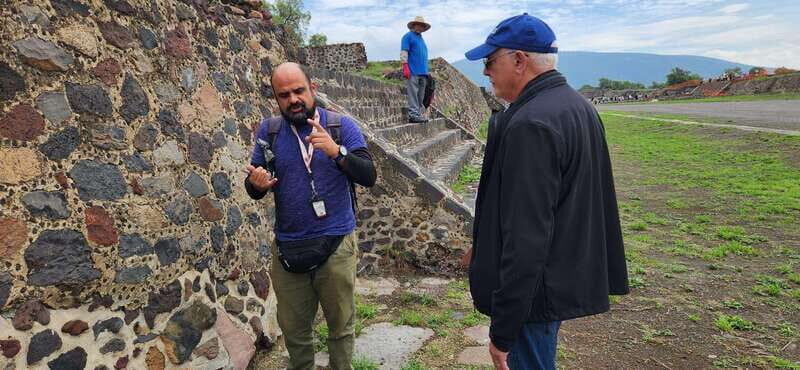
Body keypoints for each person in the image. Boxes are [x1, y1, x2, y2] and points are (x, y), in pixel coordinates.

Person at [463, 14, 629, 370]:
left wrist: (503, 331)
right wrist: (485, 246)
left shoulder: (531, 124)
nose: (486, 72)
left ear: (519, 60)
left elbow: (527, 236)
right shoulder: (576, 106)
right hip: (554, 276)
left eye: (490, 61)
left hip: (533, 294)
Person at [244, 62, 377, 370]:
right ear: (276, 99)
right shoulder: (271, 131)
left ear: (312, 89)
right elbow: (255, 186)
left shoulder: (341, 127)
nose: (293, 99)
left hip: (336, 246)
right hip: (288, 248)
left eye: (299, 91)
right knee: (294, 332)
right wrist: (256, 184)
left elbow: (368, 175)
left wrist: (337, 152)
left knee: (341, 329)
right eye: (284, 94)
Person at [401, 16, 430, 123]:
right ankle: (413, 115)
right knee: (413, 93)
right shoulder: (407, 36)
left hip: (423, 72)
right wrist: (405, 66)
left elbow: (423, 55)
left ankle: (417, 114)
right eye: (418, 24)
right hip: (413, 70)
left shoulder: (421, 39)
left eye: (422, 25)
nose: (420, 27)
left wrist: (427, 71)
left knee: (420, 95)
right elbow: (404, 52)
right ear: (413, 25)